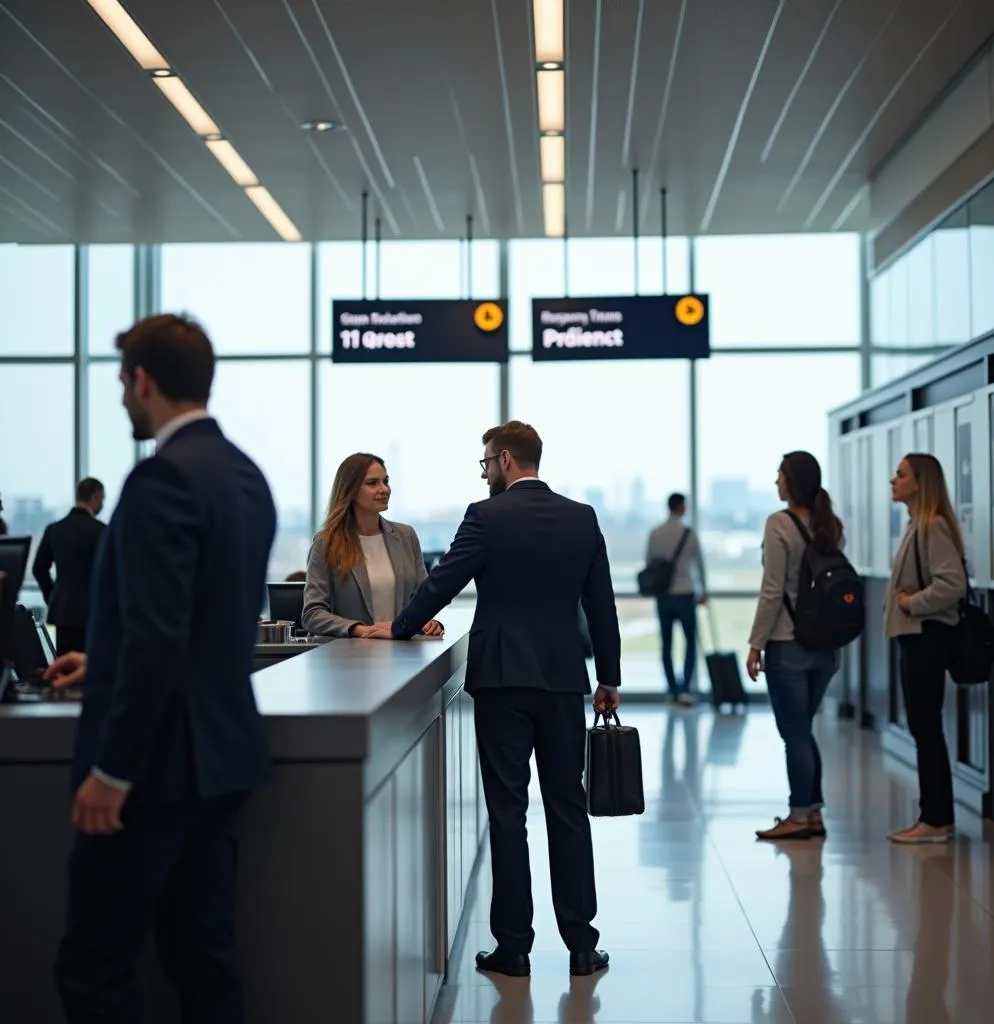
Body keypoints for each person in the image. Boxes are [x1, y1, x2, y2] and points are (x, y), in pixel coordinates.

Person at [44, 313, 277, 1022]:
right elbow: (205, 623)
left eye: (121, 381)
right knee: (202, 961)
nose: (120, 397)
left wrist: (111, 772)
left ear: (143, 381)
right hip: (223, 758)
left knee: (94, 969)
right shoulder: (246, 477)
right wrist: (103, 658)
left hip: (153, 772)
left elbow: (158, 638)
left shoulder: (160, 480)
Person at [363, 420, 622, 978]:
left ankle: (514, 947)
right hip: (560, 681)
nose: (484, 474)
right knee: (568, 809)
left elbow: (442, 583)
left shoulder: (486, 517)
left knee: (508, 813)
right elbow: (601, 604)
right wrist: (609, 676)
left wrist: (401, 627)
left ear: (505, 459)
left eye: (485, 464)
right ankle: (581, 944)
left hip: (502, 681)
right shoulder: (582, 518)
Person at [746, 451, 843, 841]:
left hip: (788, 644)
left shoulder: (779, 523)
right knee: (804, 730)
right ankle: (813, 813)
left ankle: (799, 815)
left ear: (792, 481)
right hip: (826, 646)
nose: (775, 482)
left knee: (795, 734)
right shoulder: (828, 523)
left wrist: (756, 644)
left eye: (780, 475)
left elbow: (772, 590)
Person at [885, 453, 966, 844]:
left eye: (900, 475)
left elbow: (952, 584)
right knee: (923, 727)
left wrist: (909, 604)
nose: (893, 480)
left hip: (926, 638)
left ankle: (934, 820)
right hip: (915, 638)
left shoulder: (931, 526)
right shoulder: (916, 525)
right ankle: (935, 817)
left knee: (926, 728)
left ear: (920, 483)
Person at [301, 452, 443, 638]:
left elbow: (423, 599)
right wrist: (359, 630)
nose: (384, 489)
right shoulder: (326, 543)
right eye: (372, 483)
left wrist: (428, 621)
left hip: (404, 655)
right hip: (350, 657)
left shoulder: (406, 536)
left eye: (386, 481)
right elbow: (312, 614)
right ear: (350, 491)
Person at [32, 477, 106, 656]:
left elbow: (39, 569)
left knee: (64, 671)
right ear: (95, 496)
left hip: (63, 613)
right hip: (93, 615)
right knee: (87, 671)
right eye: (102, 498)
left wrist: (52, 596)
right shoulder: (101, 531)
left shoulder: (55, 529)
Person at [645, 492, 707, 705]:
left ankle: (672, 688)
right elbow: (698, 566)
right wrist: (703, 591)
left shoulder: (655, 533)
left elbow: (649, 564)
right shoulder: (689, 534)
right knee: (690, 642)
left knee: (666, 643)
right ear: (681, 507)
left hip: (663, 595)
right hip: (685, 593)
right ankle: (685, 689)